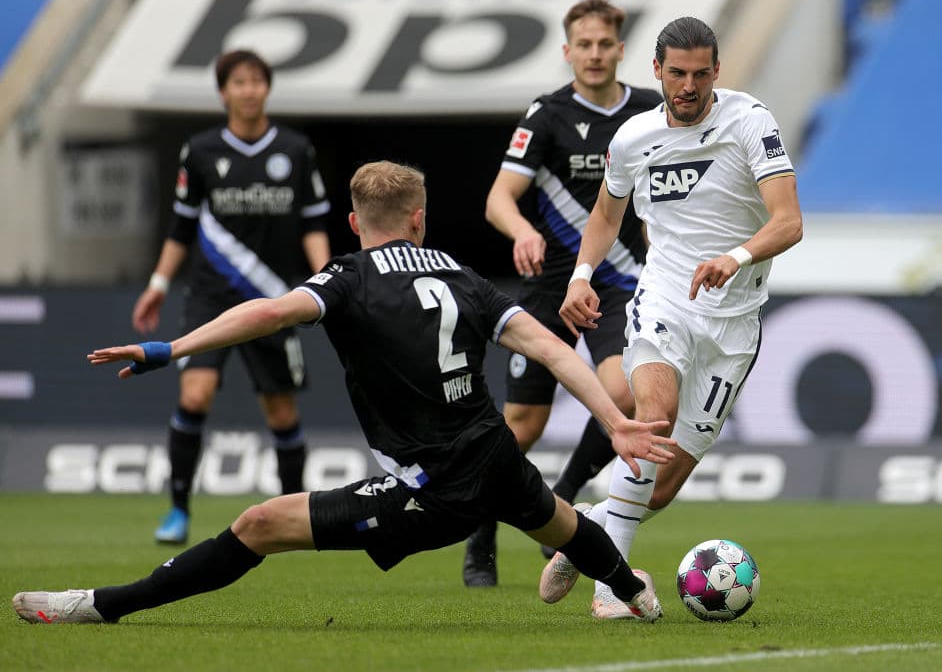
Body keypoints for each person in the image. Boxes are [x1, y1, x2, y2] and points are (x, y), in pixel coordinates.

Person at [12, 161, 675, 626]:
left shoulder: (347, 277)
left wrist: (170, 348)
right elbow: (552, 346)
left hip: (431, 483)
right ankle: (633, 593)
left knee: (257, 524)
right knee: (561, 522)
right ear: (420, 218)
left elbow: (268, 313)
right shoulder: (463, 275)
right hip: (495, 456)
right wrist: (614, 421)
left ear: (355, 224)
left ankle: (103, 603)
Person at [544, 16, 803, 619]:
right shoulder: (633, 138)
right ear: (657, 71)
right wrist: (580, 276)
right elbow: (608, 215)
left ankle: (591, 531)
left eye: (700, 73)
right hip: (663, 297)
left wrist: (733, 258)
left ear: (717, 71)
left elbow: (788, 220)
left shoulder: (748, 122)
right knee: (651, 421)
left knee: (659, 486)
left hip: (734, 321)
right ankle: (615, 591)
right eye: (677, 73)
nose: (688, 86)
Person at [463, 0, 663, 587]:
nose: (595, 54)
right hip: (550, 288)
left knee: (622, 394)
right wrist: (522, 229)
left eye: (606, 44)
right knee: (521, 423)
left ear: (621, 50)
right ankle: (481, 535)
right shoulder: (546, 115)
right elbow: (498, 199)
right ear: (567, 50)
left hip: (622, 283)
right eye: (585, 44)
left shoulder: (650, 111)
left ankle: (567, 497)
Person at [131, 49, 332, 545]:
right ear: (223, 92)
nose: (248, 90)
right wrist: (158, 285)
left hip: (273, 299)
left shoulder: (295, 149)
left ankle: (294, 520)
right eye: (238, 82)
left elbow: (312, 223)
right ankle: (177, 510)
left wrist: (326, 279)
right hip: (211, 298)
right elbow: (181, 226)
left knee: (281, 412)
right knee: (193, 394)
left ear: (267, 88)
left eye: (256, 81)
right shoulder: (199, 152)